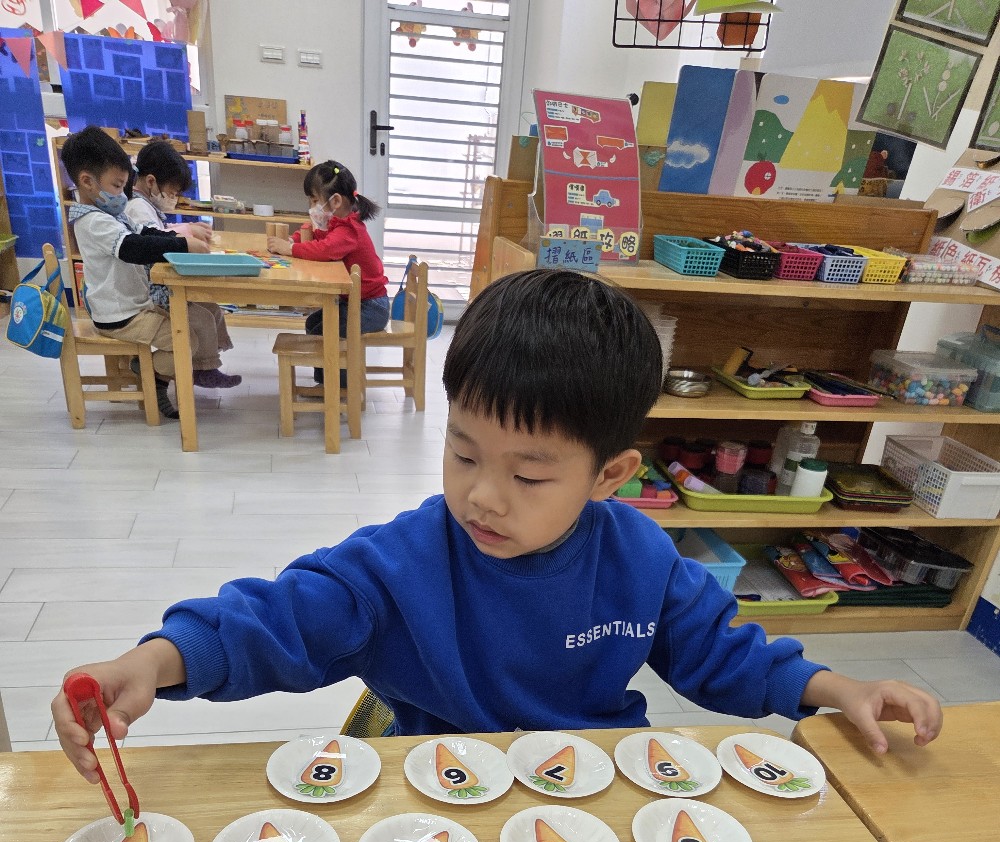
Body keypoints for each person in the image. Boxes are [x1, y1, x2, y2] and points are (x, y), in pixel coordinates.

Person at [52, 269, 942, 778]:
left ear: (610, 476)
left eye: (528, 475)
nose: (483, 496)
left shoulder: (640, 558)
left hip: (589, 783)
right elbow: (281, 618)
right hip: (435, 785)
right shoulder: (402, 562)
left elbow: (725, 655)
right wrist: (156, 661)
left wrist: (837, 689)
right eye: (463, 453)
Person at [60, 126, 211, 421]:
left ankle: (152, 375)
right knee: (186, 341)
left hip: (132, 308)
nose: (122, 194)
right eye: (117, 186)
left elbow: (146, 232)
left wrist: (179, 240)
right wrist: (182, 244)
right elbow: (132, 247)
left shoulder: (112, 215)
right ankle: (147, 371)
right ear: (87, 181)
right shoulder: (93, 222)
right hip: (119, 316)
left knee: (185, 328)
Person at [125, 140, 242, 390]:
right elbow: (154, 239)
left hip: (160, 284)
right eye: (173, 192)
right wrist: (186, 234)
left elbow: (159, 230)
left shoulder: (144, 205)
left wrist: (186, 228)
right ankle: (203, 369)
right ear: (151, 182)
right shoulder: (137, 207)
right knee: (202, 319)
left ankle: (205, 363)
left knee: (212, 308)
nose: (174, 198)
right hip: (151, 291)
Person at [267, 159, 389, 383]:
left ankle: (339, 386)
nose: (312, 206)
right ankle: (325, 380)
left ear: (336, 201)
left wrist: (291, 248)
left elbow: (324, 249)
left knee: (328, 332)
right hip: (356, 302)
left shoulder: (349, 230)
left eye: (315, 200)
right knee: (313, 323)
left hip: (371, 307)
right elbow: (318, 236)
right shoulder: (338, 224)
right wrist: (295, 239)